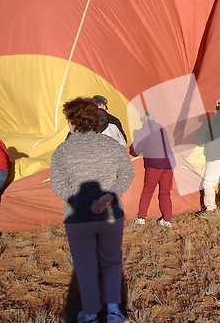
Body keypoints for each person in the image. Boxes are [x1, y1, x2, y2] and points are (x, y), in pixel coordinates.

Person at [50, 97, 135, 323]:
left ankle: (89, 313)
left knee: (85, 267)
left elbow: (59, 184)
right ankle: (114, 311)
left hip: (78, 219)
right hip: (110, 216)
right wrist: (109, 196)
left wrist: (84, 204)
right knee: (112, 263)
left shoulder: (63, 150)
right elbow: (128, 173)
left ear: (73, 122)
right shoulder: (112, 146)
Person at [129, 111, 175, 227]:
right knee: (165, 193)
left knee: (148, 191)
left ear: (143, 120)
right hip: (169, 164)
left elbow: (135, 151)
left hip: (154, 165)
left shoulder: (143, 131)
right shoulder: (161, 128)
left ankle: (141, 217)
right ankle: (167, 219)